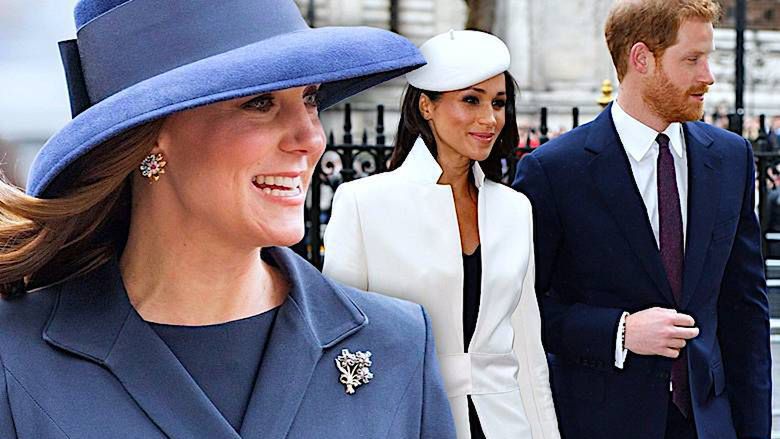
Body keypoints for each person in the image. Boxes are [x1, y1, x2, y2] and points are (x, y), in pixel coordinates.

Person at [0, 0, 458, 437]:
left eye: (310, 99)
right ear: (152, 134)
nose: (310, 138)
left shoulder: (396, 346)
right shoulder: (16, 355)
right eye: (259, 103)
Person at [513, 1, 771, 438]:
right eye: (692, 59)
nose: (708, 76)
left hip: (710, 423)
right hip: (602, 423)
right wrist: (619, 331)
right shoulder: (554, 170)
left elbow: (745, 311)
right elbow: (522, 311)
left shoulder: (731, 157)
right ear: (641, 59)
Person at [323, 30, 560, 439]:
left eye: (498, 103)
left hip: (505, 424)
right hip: (407, 421)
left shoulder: (514, 209)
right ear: (426, 106)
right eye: (471, 100)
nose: (490, 119)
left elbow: (526, 346)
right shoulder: (364, 203)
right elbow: (341, 344)